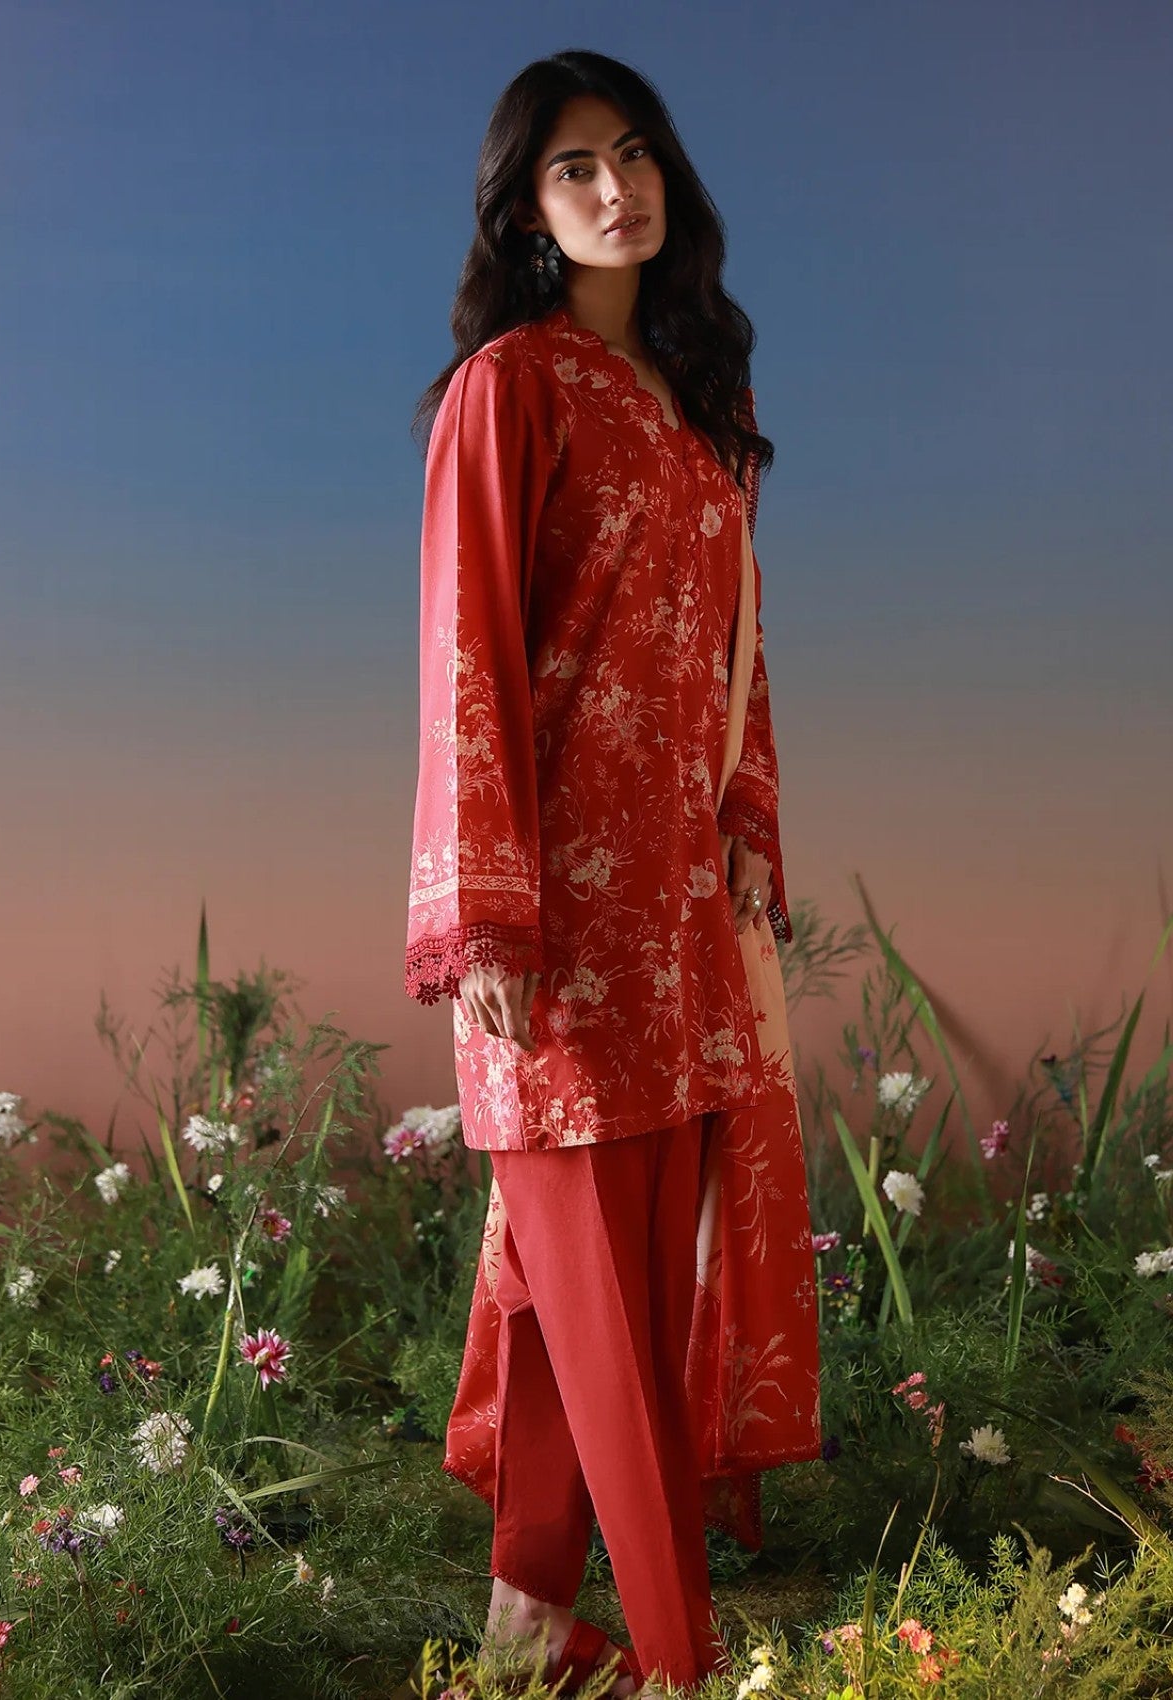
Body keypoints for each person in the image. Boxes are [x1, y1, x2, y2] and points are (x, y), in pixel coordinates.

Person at [401, 49, 821, 1699]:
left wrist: (747, 835)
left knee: (624, 1300)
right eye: (573, 167)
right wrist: (482, 913)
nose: (613, 187)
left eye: (634, 153)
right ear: (526, 211)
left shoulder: (702, 419)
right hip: (553, 927)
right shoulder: (509, 388)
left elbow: (737, 661)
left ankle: (528, 1628)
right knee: (593, 1302)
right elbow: (466, 655)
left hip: (679, 914)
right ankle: (677, 1661)